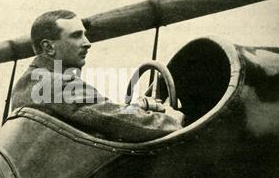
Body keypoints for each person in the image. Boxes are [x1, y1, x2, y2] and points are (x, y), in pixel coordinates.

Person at [11, 10, 184, 142]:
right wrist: (170, 120)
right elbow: (113, 118)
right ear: (49, 47)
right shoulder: (56, 84)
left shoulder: (28, 82)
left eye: (84, 35)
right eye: (76, 36)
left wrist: (137, 107)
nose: (87, 43)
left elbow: (98, 112)